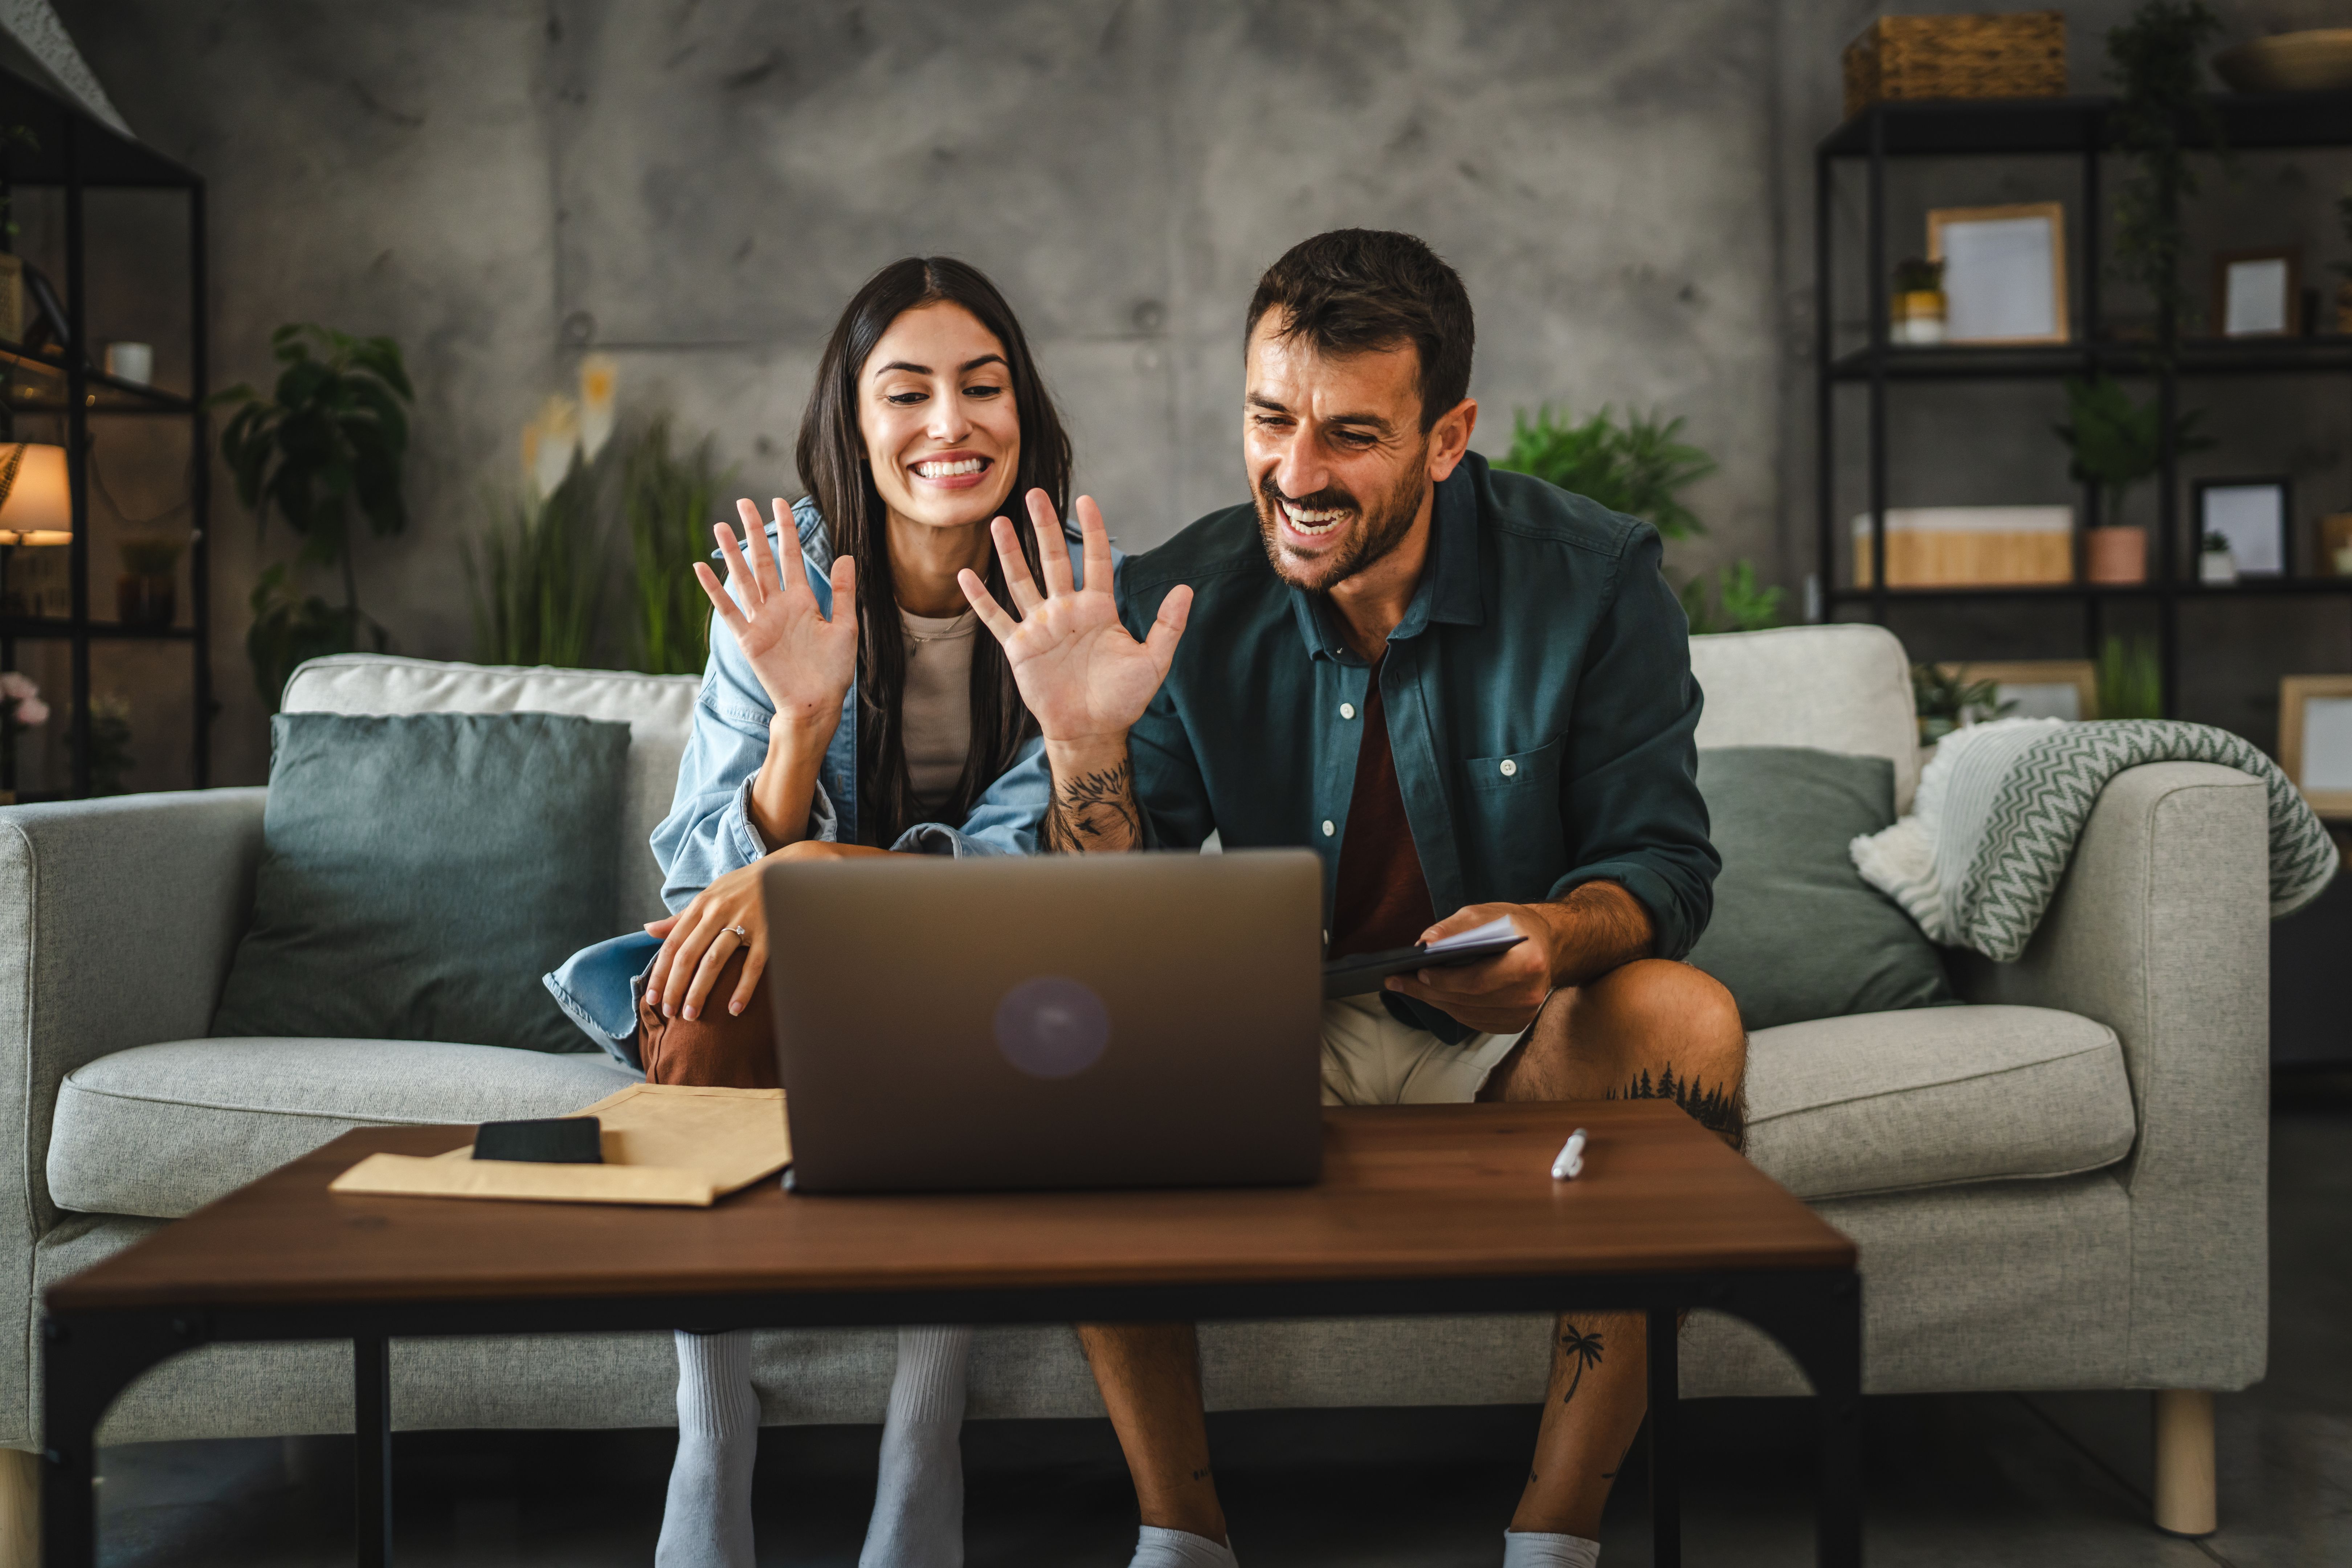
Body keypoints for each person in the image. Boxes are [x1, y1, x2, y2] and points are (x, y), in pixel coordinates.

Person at [955, 229, 1743, 1568]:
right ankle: (1181, 1536)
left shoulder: (1596, 578)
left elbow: (1665, 867)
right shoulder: (1177, 598)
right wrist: (1087, 751)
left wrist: (1553, 936)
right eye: (1270, 420)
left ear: (1448, 439)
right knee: (1073, 1047)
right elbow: (1116, 920)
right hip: (1281, 1030)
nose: (1296, 474)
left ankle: (1555, 1541)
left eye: (1352, 436)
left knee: (1686, 1022)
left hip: (1510, 1036)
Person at [544, 255, 1182, 1568]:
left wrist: (841, 876)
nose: (949, 425)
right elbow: (705, 880)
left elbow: (1055, 893)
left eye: (982, 387)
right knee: (710, 970)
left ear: (1027, 412)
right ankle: (712, 1443)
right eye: (907, 393)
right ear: (855, 421)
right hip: (785, 993)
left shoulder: (1069, 601)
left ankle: (921, 1439)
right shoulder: (790, 590)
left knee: (981, 998)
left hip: (990, 988)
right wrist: (803, 722)